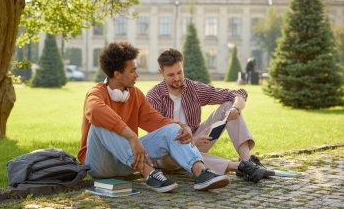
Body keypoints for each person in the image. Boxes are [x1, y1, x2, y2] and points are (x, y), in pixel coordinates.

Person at [77, 42, 230, 193]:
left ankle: (201, 173)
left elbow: (156, 120)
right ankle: (149, 173)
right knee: (99, 124)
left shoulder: (135, 94)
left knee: (172, 129)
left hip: (128, 162)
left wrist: (183, 127)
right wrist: (131, 136)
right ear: (117, 74)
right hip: (100, 164)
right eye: (132, 71)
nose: (137, 75)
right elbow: (95, 111)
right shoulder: (96, 93)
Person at [146, 48, 274, 183]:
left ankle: (248, 161)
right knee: (174, 150)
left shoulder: (192, 88)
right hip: (168, 156)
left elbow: (236, 94)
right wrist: (192, 141)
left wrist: (236, 107)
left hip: (197, 139)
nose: (177, 78)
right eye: (171, 75)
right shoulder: (154, 97)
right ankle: (239, 167)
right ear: (161, 72)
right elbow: (159, 141)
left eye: (180, 72)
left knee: (228, 105)